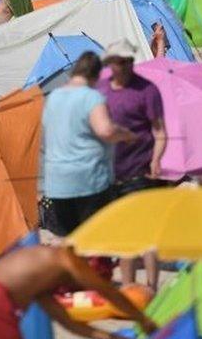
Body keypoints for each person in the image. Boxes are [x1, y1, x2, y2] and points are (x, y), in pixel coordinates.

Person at [0, 245, 158, 339]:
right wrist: (143, 320)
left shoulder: (41, 283)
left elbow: (68, 324)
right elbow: (110, 293)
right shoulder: (68, 260)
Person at [41, 52, 135, 236]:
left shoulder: (53, 98)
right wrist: (126, 134)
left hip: (57, 181)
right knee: (94, 238)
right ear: (95, 76)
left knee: (69, 239)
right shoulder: (92, 97)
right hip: (88, 180)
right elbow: (105, 130)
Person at [97, 40, 166, 289]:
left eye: (128, 60)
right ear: (110, 63)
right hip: (111, 173)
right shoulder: (101, 90)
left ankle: (152, 286)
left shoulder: (147, 90)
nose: (125, 65)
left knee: (145, 234)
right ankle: (128, 288)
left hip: (141, 170)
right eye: (120, 61)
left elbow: (160, 132)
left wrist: (156, 159)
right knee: (124, 236)